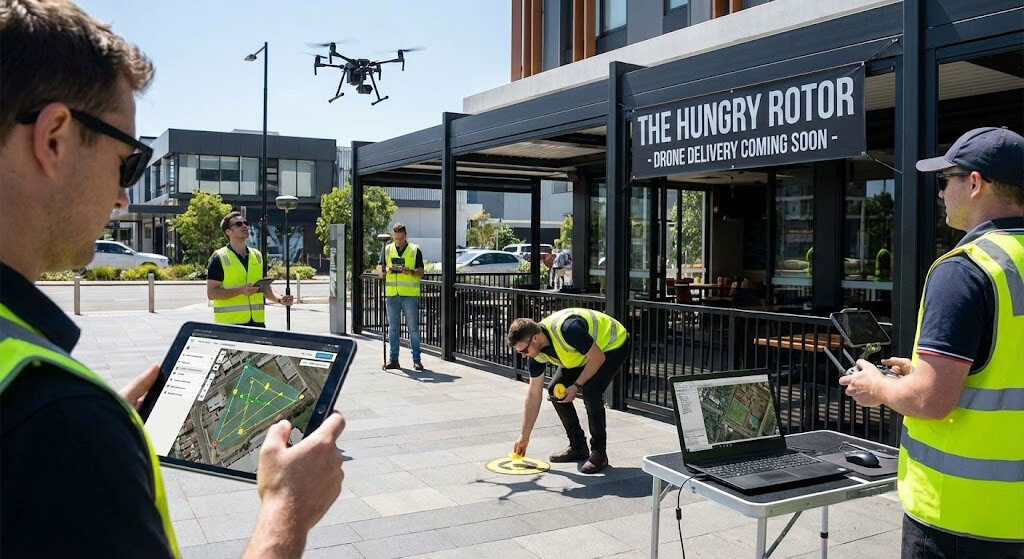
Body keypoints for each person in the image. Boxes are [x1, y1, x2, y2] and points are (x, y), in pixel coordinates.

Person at [0, 2, 346, 557]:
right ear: (54, 138)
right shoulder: (57, 420)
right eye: (127, 162)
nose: (123, 196)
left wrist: (91, 421)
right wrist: (287, 511)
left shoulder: (50, 413)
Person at [839, 127, 1023, 558]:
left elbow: (930, 400)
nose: (940, 193)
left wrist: (878, 386)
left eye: (945, 180)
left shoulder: (965, 269)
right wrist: (922, 372)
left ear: (974, 183)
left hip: (961, 520)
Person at [507, 308, 629, 473]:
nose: (523, 355)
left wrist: (576, 386)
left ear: (535, 337)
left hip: (612, 345)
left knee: (591, 392)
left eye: (524, 350)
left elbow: (598, 357)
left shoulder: (567, 329)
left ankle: (599, 453)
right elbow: (534, 393)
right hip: (583, 353)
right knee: (555, 392)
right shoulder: (535, 353)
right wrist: (524, 436)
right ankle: (578, 446)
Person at [207, 211, 293, 326]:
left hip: (257, 324)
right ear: (228, 232)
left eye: (245, 223)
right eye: (238, 224)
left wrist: (280, 299)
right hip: (230, 326)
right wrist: (240, 291)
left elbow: (264, 288)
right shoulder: (219, 257)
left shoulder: (257, 255)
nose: (244, 226)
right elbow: (211, 293)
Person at [377, 223, 424, 371]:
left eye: (401, 238)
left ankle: (417, 360)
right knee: (393, 329)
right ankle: (393, 360)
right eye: (396, 238)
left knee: (413, 329)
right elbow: (379, 269)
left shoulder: (415, 250)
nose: (398, 241)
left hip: (409, 295)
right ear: (393, 236)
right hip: (392, 295)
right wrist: (385, 269)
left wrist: (411, 272)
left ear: (406, 235)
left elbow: (421, 271)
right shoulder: (387, 249)